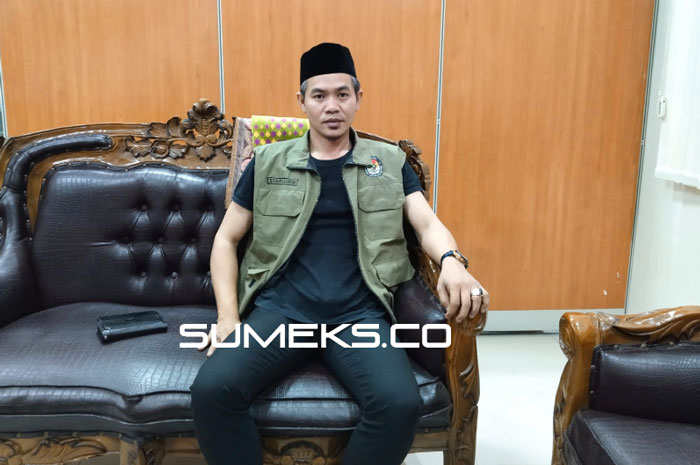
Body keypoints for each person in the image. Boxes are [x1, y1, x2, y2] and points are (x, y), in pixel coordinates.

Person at [189, 42, 489, 465]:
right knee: (212, 391)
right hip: (281, 312)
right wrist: (228, 318)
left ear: (358, 98)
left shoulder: (388, 162)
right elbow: (225, 240)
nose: (332, 106)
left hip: (358, 315)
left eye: (342, 94)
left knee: (399, 405)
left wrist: (452, 261)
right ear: (301, 101)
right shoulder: (269, 162)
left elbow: (426, 224)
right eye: (319, 95)